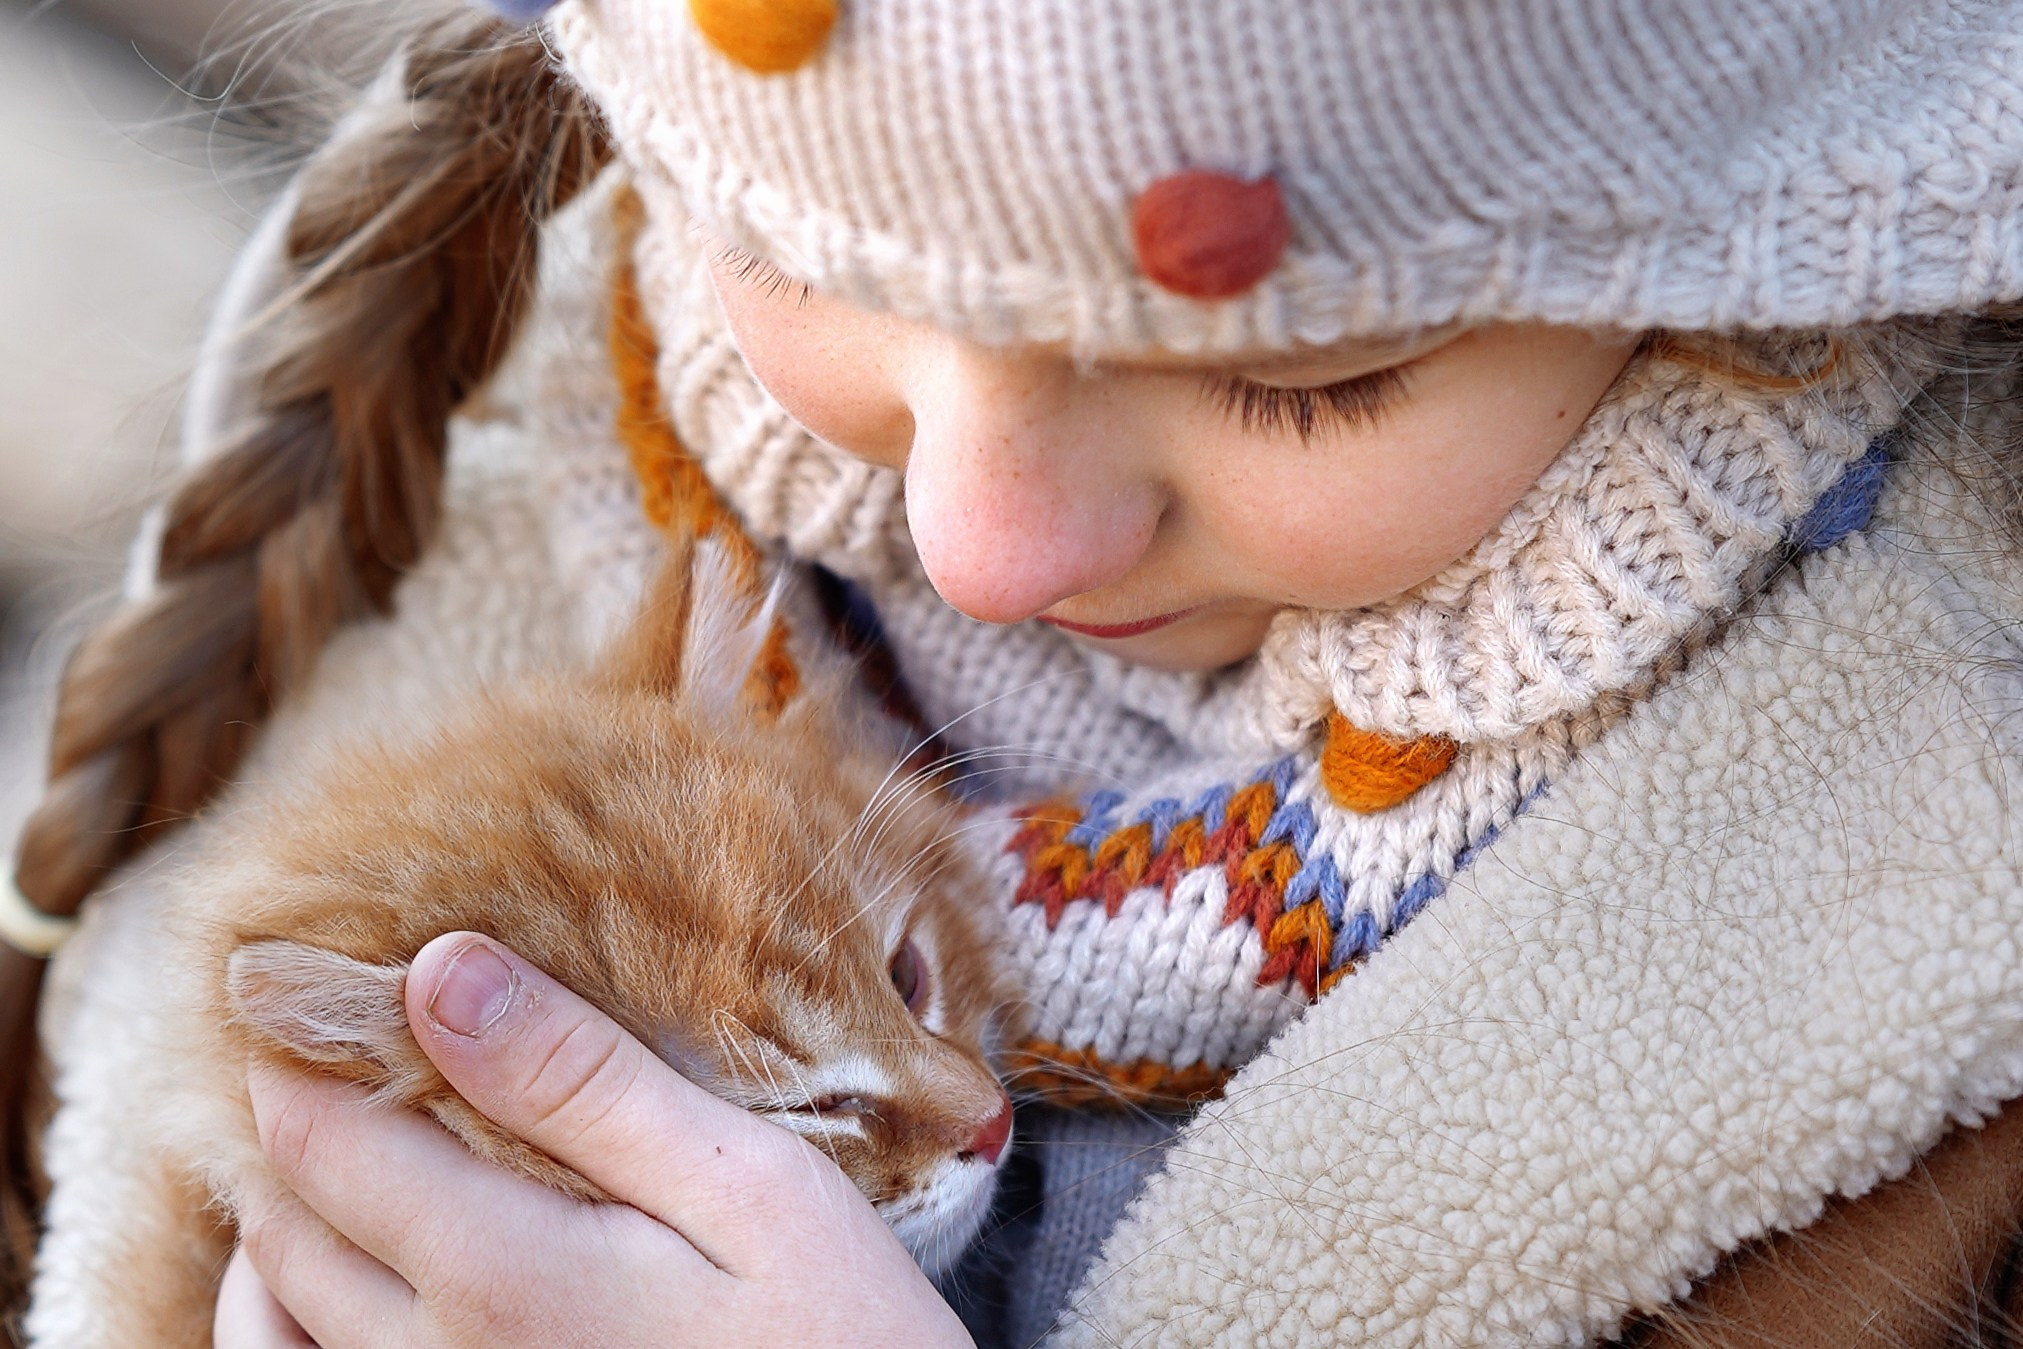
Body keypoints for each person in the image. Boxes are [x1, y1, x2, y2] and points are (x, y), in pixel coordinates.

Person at [12, 0, 2023, 1344]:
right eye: (821, 263)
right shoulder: (498, 447)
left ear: (1759, 254)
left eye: (1295, 374)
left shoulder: (1934, 857)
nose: (980, 544)